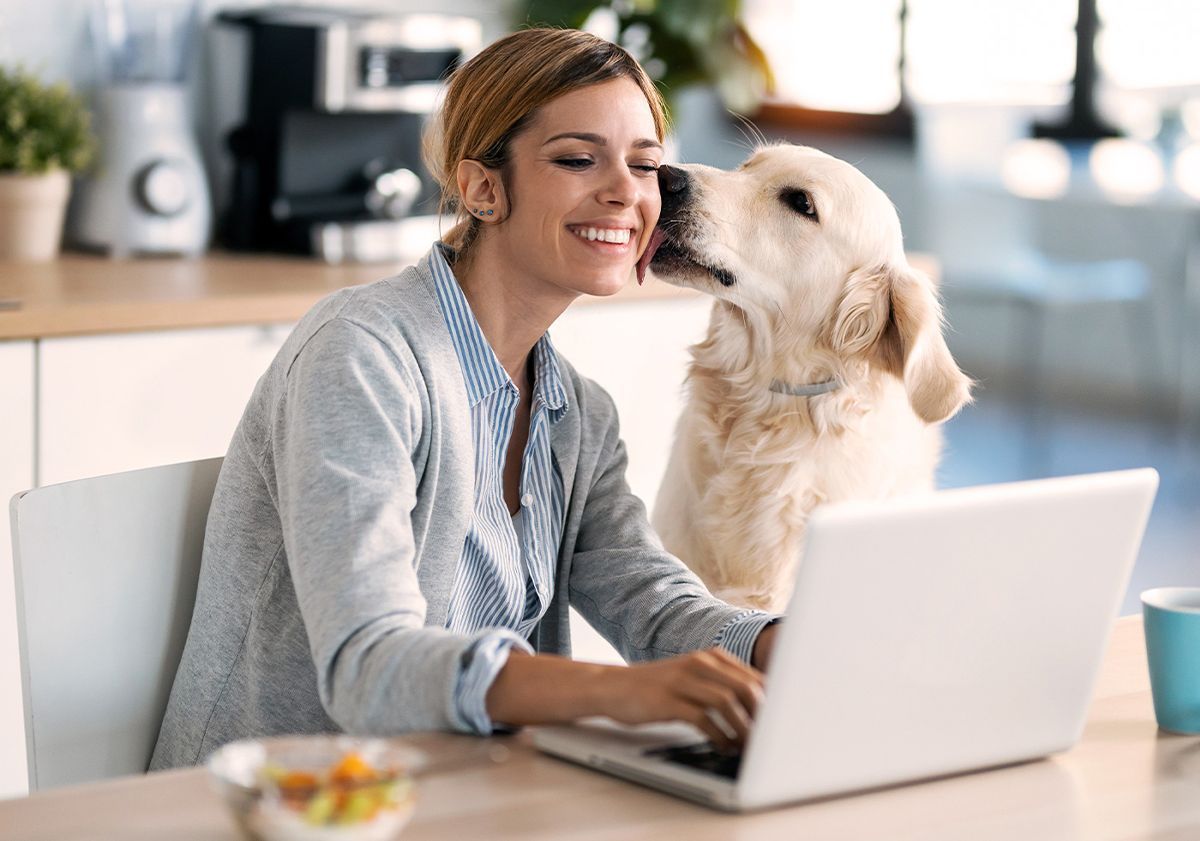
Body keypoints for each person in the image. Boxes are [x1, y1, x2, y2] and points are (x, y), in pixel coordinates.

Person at [150, 27, 780, 771]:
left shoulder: (578, 413)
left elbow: (653, 602)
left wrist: (784, 640)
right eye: (578, 159)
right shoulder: (363, 354)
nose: (625, 192)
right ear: (483, 187)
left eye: (645, 166)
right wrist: (622, 691)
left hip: (461, 794)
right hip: (283, 804)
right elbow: (368, 664)